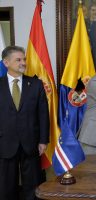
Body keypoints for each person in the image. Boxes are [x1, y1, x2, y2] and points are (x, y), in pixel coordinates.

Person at [0, 46, 50, 200]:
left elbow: (43, 114)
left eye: (24, 59)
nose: (23, 63)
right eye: (18, 60)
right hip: (4, 143)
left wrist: (43, 140)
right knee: (6, 187)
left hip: (31, 144)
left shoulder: (36, 84)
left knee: (33, 186)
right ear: (6, 62)